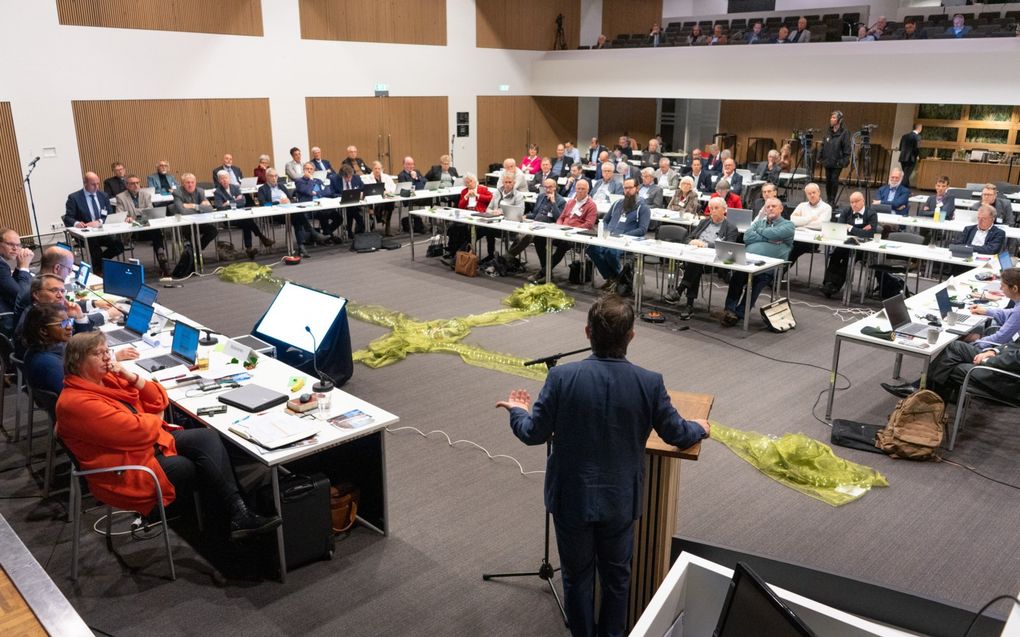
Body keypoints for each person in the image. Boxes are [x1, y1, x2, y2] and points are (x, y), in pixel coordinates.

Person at [496, 295, 710, 637]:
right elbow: (678, 434)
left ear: (587, 332)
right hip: (620, 500)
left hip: (571, 500)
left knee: (576, 578)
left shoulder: (561, 379)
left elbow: (533, 434)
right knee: (616, 578)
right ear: (632, 336)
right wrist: (701, 427)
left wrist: (517, 410)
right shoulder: (650, 382)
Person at [56, 332, 282, 540]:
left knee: (207, 437)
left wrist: (130, 375)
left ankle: (239, 512)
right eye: (98, 354)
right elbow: (139, 431)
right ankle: (224, 529)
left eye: (107, 351)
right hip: (126, 468)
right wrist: (156, 416)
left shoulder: (106, 379)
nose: (107, 358)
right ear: (77, 362)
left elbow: (157, 398)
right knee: (191, 466)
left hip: (145, 447)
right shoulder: (76, 403)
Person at [716, 197, 794, 327]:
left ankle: (739, 314)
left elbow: (776, 233)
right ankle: (729, 310)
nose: (770, 209)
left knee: (756, 282)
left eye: (773, 206)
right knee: (737, 277)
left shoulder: (788, 225)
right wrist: (770, 238)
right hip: (749, 261)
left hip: (771, 265)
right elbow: (747, 237)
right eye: (767, 207)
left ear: (781, 208)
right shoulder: (759, 222)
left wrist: (760, 234)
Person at [665, 198, 740, 318]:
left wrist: (706, 245)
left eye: (716, 208)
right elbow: (687, 238)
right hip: (695, 255)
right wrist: (692, 241)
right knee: (696, 264)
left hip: (714, 261)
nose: (713, 211)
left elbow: (728, 248)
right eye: (711, 208)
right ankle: (688, 305)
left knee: (695, 264)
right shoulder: (704, 222)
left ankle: (681, 291)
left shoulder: (731, 228)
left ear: (724, 210)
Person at [587, 178, 650, 291]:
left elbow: (642, 230)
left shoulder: (643, 208)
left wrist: (623, 236)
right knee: (591, 248)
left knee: (610, 252)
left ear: (637, 189)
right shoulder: (617, 204)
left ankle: (616, 278)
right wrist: (606, 231)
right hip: (608, 237)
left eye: (630, 188)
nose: (627, 190)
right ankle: (614, 277)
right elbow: (605, 221)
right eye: (625, 188)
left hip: (625, 241)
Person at [530, 180, 596, 282]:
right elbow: (561, 217)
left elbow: (589, 224)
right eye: (578, 188)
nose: (580, 191)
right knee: (539, 239)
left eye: (583, 189)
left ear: (588, 190)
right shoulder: (570, 202)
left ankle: (543, 272)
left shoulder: (591, 205)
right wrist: (559, 227)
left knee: (564, 245)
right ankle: (547, 271)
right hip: (562, 231)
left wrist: (573, 230)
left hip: (576, 236)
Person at [821, 192, 878, 298]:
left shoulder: (871, 214)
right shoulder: (846, 211)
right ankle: (828, 283)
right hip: (845, 243)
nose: (854, 204)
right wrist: (860, 230)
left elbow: (870, 234)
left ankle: (834, 286)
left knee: (847, 261)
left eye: (856, 201)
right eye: (852, 202)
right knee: (835, 256)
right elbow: (840, 229)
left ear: (863, 201)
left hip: (861, 247)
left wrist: (851, 228)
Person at [63, 172, 125, 270]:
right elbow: (68, 217)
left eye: (98, 183)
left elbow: (109, 214)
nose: (96, 187)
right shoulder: (74, 198)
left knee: (119, 246)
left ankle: (97, 265)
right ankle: (99, 267)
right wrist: (77, 223)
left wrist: (99, 221)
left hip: (102, 231)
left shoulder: (103, 196)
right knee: (94, 247)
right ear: (85, 183)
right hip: (85, 234)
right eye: (93, 184)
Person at [258, 168, 323, 258]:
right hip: (276, 214)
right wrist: (278, 202)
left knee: (297, 217)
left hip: (288, 210)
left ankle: (302, 247)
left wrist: (289, 200)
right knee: (297, 216)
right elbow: (263, 204)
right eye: (271, 176)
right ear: (266, 177)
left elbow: (291, 199)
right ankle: (312, 235)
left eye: (276, 176)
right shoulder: (262, 189)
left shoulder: (281, 186)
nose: (274, 178)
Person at [115, 174, 169, 276]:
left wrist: (132, 213)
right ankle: (160, 254)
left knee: (156, 231)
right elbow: (120, 215)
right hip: (132, 231)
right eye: (132, 183)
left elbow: (150, 212)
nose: (136, 185)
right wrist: (140, 212)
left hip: (146, 227)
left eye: (137, 183)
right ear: (127, 185)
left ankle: (162, 259)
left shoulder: (146, 195)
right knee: (156, 233)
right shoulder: (120, 197)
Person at [213, 170, 274, 259]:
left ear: (229, 178)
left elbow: (243, 202)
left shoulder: (235, 188)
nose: (224, 180)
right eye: (222, 179)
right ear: (219, 181)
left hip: (240, 215)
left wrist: (228, 202)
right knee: (247, 221)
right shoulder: (218, 192)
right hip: (229, 218)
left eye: (226, 178)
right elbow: (220, 207)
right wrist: (234, 201)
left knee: (246, 221)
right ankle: (260, 239)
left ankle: (250, 248)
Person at [21, 303, 74, 396]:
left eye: (69, 321)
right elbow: (72, 397)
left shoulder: (40, 350)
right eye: (63, 324)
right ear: (43, 330)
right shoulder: (49, 365)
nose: (70, 327)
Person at [509, 178, 564, 261]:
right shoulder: (541, 196)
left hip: (549, 228)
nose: (547, 189)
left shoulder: (561, 201)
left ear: (555, 187)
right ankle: (507, 260)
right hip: (535, 224)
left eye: (550, 187)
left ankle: (505, 259)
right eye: (545, 187)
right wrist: (526, 216)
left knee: (529, 237)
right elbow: (535, 214)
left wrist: (553, 202)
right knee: (519, 236)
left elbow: (559, 218)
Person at [442, 173, 492, 264]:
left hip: (478, 214)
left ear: (475, 181)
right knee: (454, 228)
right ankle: (452, 252)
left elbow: (490, 198)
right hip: (466, 214)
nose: (469, 184)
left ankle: (458, 257)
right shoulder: (464, 191)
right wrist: (466, 197)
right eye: (467, 182)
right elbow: (460, 206)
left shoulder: (482, 189)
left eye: (470, 181)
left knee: (468, 232)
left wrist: (477, 195)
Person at [967, 268, 1020, 348]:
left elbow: (1000, 338)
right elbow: (1010, 313)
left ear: (1014, 288)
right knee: (969, 336)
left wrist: (976, 343)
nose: (1000, 289)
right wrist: (986, 311)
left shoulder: (1018, 312)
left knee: (955, 345)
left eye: (1003, 286)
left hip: (1002, 351)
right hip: (1008, 346)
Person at [172, 173, 219, 252]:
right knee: (191, 234)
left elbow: (210, 209)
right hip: (186, 224)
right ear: (183, 183)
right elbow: (183, 212)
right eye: (188, 182)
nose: (190, 185)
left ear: (195, 182)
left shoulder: (200, 191)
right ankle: (195, 253)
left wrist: (194, 206)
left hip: (200, 222)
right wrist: (201, 208)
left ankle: (197, 250)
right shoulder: (177, 193)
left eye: (192, 182)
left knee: (213, 231)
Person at [787, 182, 832, 264]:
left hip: (816, 238)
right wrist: (810, 219)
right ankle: (776, 271)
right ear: (806, 195)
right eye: (809, 193)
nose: (812, 195)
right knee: (784, 245)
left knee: (794, 248)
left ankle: (779, 273)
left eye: (814, 192)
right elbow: (792, 220)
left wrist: (801, 222)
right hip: (799, 235)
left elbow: (820, 225)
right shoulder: (802, 205)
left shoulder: (826, 207)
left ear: (819, 192)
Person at [0, 228, 34, 336]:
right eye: (10, 244)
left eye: (18, 245)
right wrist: (24, 268)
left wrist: (19, 267)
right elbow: (21, 296)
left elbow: (8, 285)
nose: (15, 248)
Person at [820, 111, 851, 204]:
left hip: (838, 162)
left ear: (839, 120)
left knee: (834, 179)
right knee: (828, 181)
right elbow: (823, 145)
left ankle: (832, 200)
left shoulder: (844, 132)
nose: (831, 119)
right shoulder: (828, 131)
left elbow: (847, 147)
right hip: (827, 160)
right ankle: (828, 199)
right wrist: (820, 157)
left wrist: (844, 161)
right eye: (831, 117)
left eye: (834, 118)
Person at [366, 161, 399, 235]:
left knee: (391, 202)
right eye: (375, 168)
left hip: (386, 197)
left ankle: (385, 220)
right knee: (384, 204)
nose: (377, 170)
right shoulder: (368, 178)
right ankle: (384, 220)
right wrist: (380, 193)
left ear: (382, 169)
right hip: (374, 200)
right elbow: (368, 190)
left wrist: (388, 191)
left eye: (379, 168)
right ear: (372, 169)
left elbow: (394, 187)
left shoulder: (386, 177)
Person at [333, 164, 366, 237]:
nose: (349, 179)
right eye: (346, 177)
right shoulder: (334, 180)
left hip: (356, 202)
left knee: (351, 208)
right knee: (350, 208)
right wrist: (343, 196)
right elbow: (332, 194)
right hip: (341, 203)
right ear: (341, 176)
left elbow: (363, 188)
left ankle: (350, 230)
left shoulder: (356, 178)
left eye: (350, 176)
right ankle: (360, 224)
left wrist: (361, 193)